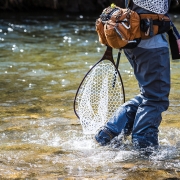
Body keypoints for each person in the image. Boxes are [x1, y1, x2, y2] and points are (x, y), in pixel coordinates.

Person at [95, 0, 171, 153]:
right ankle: (144, 146)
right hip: (149, 42)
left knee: (149, 94)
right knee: (156, 98)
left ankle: (109, 133)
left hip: (132, 39)